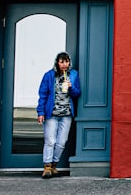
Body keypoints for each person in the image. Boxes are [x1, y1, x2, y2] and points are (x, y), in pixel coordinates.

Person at [36, 51, 81, 179]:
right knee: (50, 141)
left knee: (61, 142)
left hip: (66, 114)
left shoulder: (73, 74)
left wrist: (72, 87)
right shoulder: (49, 76)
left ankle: (54, 165)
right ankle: (47, 167)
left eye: (66, 62)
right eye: (62, 62)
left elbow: (77, 94)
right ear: (57, 62)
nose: (64, 64)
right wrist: (40, 112)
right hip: (52, 114)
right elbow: (43, 95)